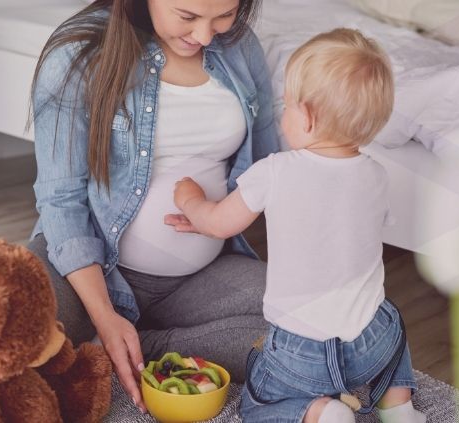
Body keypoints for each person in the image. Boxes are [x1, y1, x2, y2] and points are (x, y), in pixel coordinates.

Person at [27, 0, 279, 412]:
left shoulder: (239, 47)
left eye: (224, 14)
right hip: (87, 275)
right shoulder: (79, 52)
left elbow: (269, 165)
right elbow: (61, 200)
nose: (204, 35)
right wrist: (105, 315)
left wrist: (222, 213)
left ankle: (142, 344)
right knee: (11, 331)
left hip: (199, 278)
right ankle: (105, 328)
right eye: (187, 16)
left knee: (311, 327)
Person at [166, 28, 426, 423]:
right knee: (389, 319)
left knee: (257, 402)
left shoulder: (275, 172)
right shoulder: (376, 176)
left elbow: (218, 223)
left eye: (285, 105)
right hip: (372, 342)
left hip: (302, 351)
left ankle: (319, 412)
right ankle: (398, 406)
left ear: (304, 118)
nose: (282, 112)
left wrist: (189, 198)